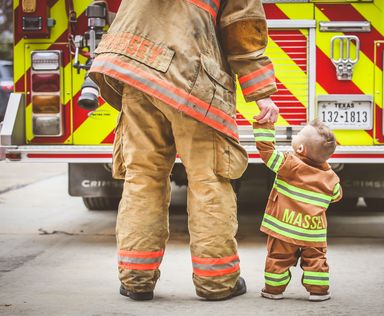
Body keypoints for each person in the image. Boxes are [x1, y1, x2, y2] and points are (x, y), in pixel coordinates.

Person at [88, 0, 279, 301]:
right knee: (209, 179)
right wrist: (262, 94)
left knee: (143, 178)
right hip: (192, 78)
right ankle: (216, 282)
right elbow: (242, 30)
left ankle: (136, 279)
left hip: (136, 74)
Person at [252, 119, 342, 301]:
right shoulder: (331, 178)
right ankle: (318, 291)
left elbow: (267, 153)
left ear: (300, 149)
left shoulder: (289, 164)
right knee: (316, 260)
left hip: (284, 229)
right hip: (313, 233)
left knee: (278, 258)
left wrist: (265, 128)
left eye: (297, 135)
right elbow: (336, 196)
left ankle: (273, 290)